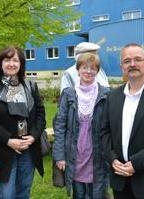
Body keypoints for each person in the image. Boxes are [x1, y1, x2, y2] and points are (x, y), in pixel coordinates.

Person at [0, 46, 46, 199]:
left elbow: (41, 115)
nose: (11, 64)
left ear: (21, 64)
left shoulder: (29, 86)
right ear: (0, 63)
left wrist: (33, 136)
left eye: (16, 60)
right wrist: (8, 140)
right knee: (7, 195)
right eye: (7, 60)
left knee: (23, 192)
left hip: (28, 150)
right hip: (4, 150)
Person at [53, 52, 109, 198]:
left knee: (97, 193)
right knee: (78, 194)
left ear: (97, 71)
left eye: (93, 68)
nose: (88, 71)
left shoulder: (106, 94)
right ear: (78, 70)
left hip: (97, 155)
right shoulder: (68, 94)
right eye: (84, 67)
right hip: (74, 155)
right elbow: (59, 125)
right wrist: (59, 156)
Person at [101, 43, 144, 199]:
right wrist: (112, 159)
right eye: (127, 61)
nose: (132, 64)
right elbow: (104, 132)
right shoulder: (113, 97)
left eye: (138, 59)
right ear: (122, 67)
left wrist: (136, 164)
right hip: (120, 179)